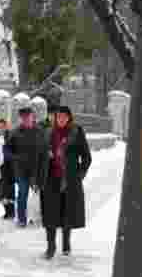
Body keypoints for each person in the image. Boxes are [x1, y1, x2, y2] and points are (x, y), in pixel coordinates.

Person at [39, 105, 92, 259]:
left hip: (69, 180)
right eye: (58, 116)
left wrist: (79, 174)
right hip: (51, 179)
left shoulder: (76, 132)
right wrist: (46, 156)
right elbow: (40, 154)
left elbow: (87, 157)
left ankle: (66, 243)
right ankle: (50, 246)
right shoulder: (48, 132)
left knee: (67, 212)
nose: (60, 119)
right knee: (50, 213)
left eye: (64, 116)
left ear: (69, 117)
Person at [7, 106, 47, 227]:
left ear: (32, 117)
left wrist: (44, 164)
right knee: (22, 193)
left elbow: (44, 150)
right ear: (20, 118)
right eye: (23, 117)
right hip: (21, 169)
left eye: (28, 117)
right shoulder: (15, 132)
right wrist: (15, 158)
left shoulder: (39, 131)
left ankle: (39, 217)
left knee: (38, 194)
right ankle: (21, 219)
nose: (25, 119)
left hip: (36, 169)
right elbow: (7, 150)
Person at [0, 117, 17, 220]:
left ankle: (11, 212)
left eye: (2, 126)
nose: (1, 128)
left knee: (9, 190)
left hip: (9, 166)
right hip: (1, 167)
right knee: (3, 191)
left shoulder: (10, 136)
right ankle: (7, 211)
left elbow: (13, 150)